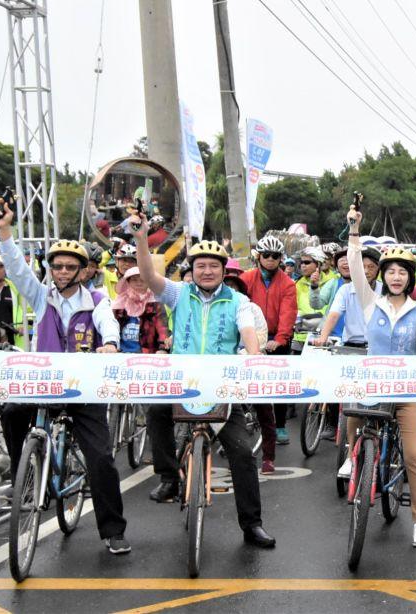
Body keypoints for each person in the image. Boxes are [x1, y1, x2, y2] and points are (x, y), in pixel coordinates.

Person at [127, 212, 276, 548]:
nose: (207, 271)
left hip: (222, 386)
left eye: (214, 266)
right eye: (200, 266)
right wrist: (141, 238)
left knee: (241, 453)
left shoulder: (238, 301)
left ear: (224, 270)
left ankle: (252, 526)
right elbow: (150, 276)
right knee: (155, 412)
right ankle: (169, 477)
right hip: (182, 381)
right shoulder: (179, 295)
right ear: (191, 270)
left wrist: (252, 356)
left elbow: (249, 334)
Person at [0, 197, 130, 554]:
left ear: (84, 270)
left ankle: (113, 532)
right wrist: (5, 231)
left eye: (71, 267)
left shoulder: (97, 299)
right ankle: (26, 471)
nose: (63, 272)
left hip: (84, 392)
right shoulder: (41, 297)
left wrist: (111, 344)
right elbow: (17, 268)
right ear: (51, 269)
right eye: (58, 267)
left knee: (100, 459)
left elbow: (108, 324)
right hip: (45, 385)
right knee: (11, 412)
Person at [339, 207, 416, 548]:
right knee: (351, 404)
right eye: (390, 272)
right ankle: (354, 457)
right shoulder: (370, 303)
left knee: (412, 455)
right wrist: (354, 229)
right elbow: (353, 266)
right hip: (373, 386)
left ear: (410, 277)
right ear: (383, 276)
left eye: (402, 273)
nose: (396, 277)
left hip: (408, 391)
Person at [240, 236, 298, 453]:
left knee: (278, 384)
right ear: (259, 256)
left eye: (275, 256)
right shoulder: (246, 279)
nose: (271, 260)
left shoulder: (288, 284)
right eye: (266, 255)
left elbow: (288, 313)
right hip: (249, 335)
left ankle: (280, 425)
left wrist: (280, 339)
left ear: (280, 258)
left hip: (275, 337)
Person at [311, 245, 381, 348]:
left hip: (378, 346)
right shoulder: (345, 290)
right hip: (351, 346)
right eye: (362, 267)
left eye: (371, 267)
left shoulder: (385, 291)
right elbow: (334, 314)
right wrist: (323, 337)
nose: (366, 271)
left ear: (378, 270)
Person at [110, 267, 170, 354]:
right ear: (128, 282)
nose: (139, 283)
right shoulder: (119, 303)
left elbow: (162, 328)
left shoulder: (155, 303)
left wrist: (163, 349)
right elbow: (111, 326)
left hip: (147, 354)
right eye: (134, 280)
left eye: (142, 280)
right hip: (120, 354)